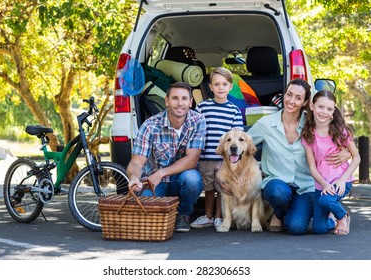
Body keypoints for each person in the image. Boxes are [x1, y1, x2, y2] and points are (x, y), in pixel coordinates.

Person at [246, 78, 350, 235]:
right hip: (277, 183)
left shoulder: (313, 124)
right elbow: (241, 144)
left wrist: (347, 152)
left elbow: (339, 137)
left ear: (306, 102)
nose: (291, 101)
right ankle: (278, 213)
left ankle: (327, 217)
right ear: (284, 95)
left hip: (306, 185)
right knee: (278, 193)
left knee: (296, 227)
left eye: (298, 98)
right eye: (289, 95)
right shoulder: (266, 124)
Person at [126, 81, 206, 233]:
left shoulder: (198, 121)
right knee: (145, 208)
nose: (180, 103)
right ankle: (164, 210)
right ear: (167, 101)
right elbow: (136, 162)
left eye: (184, 99)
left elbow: (192, 159)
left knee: (193, 180)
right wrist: (134, 177)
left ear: (191, 102)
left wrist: (161, 173)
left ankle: (183, 214)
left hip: (179, 179)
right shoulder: (150, 125)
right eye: (175, 98)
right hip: (154, 184)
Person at [190, 67, 244, 230]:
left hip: (224, 160)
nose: (220, 87)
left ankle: (219, 217)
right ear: (210, 87)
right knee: (208, 188)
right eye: (217, 84)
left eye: (224, 84)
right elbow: (196, 130)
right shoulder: (202, 107)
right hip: (206, 157)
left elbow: (236, 136)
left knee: (222, 188)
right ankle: (208, 216)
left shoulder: (234, 110)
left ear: (230, 87)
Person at [301, 90, 360, 235]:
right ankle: (332, 219)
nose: (324, 112)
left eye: (329, 109)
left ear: (334, 111)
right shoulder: (308, 135)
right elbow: (312, 168)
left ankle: (342, 216)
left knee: (326, 201)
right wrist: (324, 184)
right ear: (312, 106)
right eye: (320, 107)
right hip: (322, 185)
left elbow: (356, 157)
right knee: (319, 229)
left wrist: (342, 180)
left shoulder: (340, 131)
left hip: (341, 181)